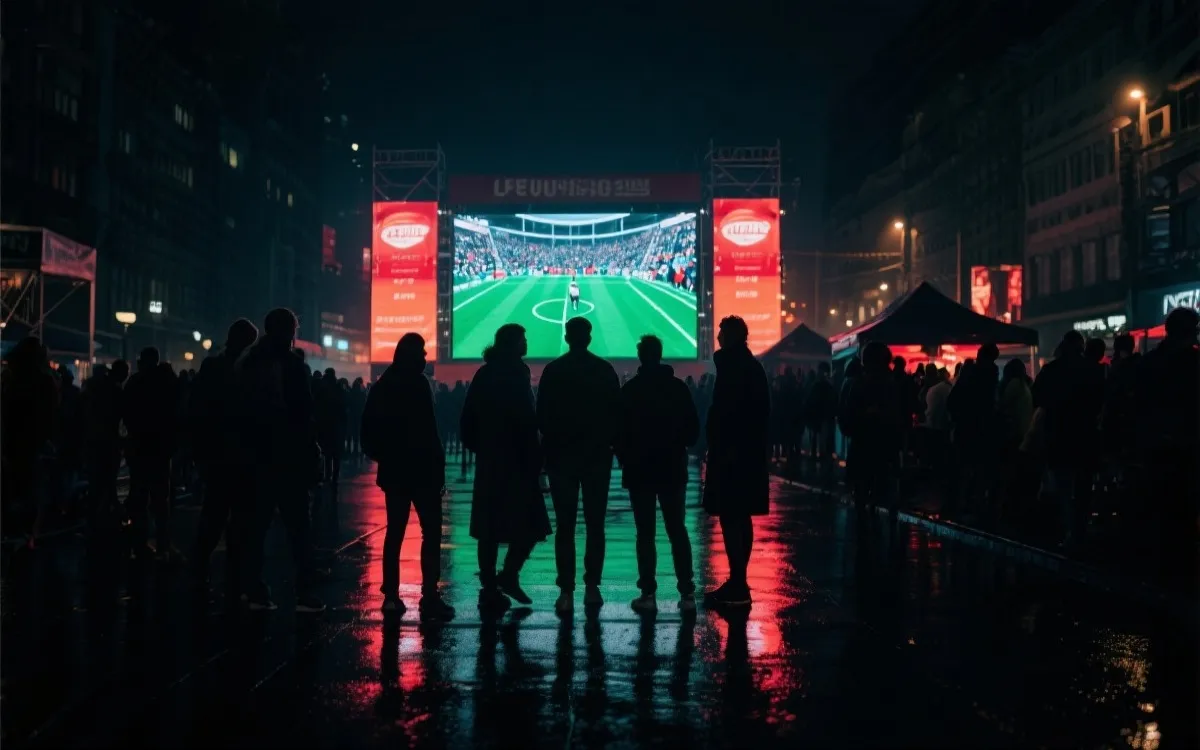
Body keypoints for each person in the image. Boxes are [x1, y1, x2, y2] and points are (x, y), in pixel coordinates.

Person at [235, 308, 325, 612]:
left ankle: (253, 589)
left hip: (256, 457)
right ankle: (305, 593)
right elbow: (304, 416)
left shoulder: (248, 363)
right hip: (288, 459)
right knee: (299, 529)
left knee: (255, 528)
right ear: (290, 332)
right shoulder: (293, 366)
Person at [361, 333, 454, 621]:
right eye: (423, 353)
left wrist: (385, 457)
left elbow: (367, 431)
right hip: (422, 471)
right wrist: (438, 470)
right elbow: (430, 432)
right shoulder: (419, 384)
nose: (426, 358)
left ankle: (391, 595)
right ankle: (429, 595)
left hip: (396, 472)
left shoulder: (383, 386)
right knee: (431, 533)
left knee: (395, 533)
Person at [460, 324, 551, 613]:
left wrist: (484, 449)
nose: (527, 343)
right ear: (512, 343)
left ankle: (493, 585)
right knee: (531, 524)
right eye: (523, 339)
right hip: (517, 462)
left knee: (489, 529)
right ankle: (507, 575)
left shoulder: (485, 373)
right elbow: (526, 419)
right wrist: (535, 457)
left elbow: (468, 421)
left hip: (494, 461)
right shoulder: (516, 374)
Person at [536, 316, 621, 615]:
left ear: (567, 336)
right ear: (589, 336)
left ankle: (567, 590)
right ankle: (592, 587)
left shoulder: (553, 370)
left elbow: (542, 416)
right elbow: (616, 414)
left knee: (565, 527)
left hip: (563, 457)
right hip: (596, 456)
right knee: (595, 525)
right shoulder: (605, 370)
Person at [616, 335, 700, 612]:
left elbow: (619, 435)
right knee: (677, 530)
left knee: (646, 534)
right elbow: (692, 432)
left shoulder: (631, 390)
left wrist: (627, 459)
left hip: (640, 470)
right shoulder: (677, 388)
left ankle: (648, 594)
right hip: (671, 468)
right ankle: (687, 592)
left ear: (641, 357)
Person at [702, 316, 770, 608]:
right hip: (748, 453)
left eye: (721, 333)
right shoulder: (751, 367)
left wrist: (719, 445)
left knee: (732, 516)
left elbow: (726, 413)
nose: (717, 338)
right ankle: (738, 581)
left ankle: (738, 583)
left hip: (733, 454)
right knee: (741, 516)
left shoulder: (734, 368)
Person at [188, 318, 258, 595]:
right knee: (240, 518)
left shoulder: (212, 366)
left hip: (216, 453)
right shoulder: (249, 370)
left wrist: (198, 452)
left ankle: (200, 568)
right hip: (241, 454)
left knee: (213, 514)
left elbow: (198, 410)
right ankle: (234, 573)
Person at [1135, 307, 1198, 593]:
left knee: (1160, 506)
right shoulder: (1193, 364)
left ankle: (1161, 566)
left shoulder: (1149, 364)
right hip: (1187, 447)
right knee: (1185, 507)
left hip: (1156, 447)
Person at [1031, 330, 1100, 547]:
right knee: (1083, 488)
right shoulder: (1094, 370)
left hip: (1059, 435)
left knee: (1064, 487)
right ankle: (1081, 529)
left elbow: (1038, 398)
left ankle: (1069, 531)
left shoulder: (1051, 370)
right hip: (1087, 436)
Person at [122, 347, 182, 563]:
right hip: (160, 447)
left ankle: (138, 545)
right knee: (160, 499)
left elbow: (127, 412)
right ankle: (163, 545)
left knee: (139, 496)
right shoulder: (165, 382)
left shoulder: (135, 382)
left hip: (139, 445)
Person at [0, 337, 59, 541]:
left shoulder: (9, 381)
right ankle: (27, 537)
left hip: (12, 445)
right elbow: (51, 417)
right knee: (31, 494)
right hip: (33, 447)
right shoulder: (44, 383)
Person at [842, 341, 902, 516]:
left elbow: (848, 415)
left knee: (862, 492)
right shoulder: (891, 384)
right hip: (884, 445)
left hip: (862, 444)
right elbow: (896, 416)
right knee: (882, 489)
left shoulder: (858, 384)